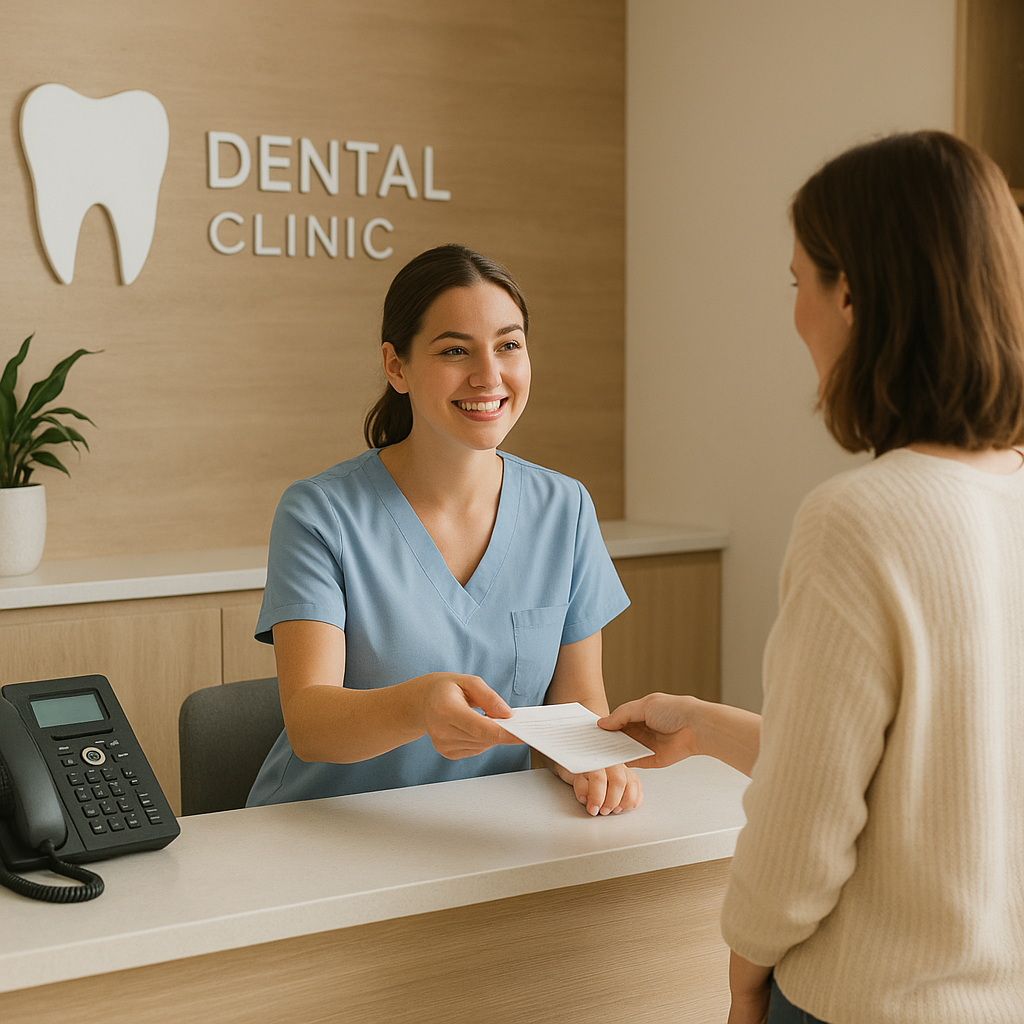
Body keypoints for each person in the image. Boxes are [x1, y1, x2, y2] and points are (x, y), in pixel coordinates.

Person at [600, 131, 1024, 1023]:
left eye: (798, 283)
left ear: (855, 296)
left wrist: (745, 970)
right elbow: (935, 774)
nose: (795, 313)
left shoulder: (862, 516)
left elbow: (806, 832)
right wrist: (709, 726)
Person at [247, 243, 642, 817]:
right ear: (396, 366)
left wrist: (595, 762)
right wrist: (417, 707)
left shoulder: (566, 507)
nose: (489, 375)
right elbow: (310, 722)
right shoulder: (320, 513)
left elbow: (577, 704)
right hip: (321, 835)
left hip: (478, 833)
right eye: (456, 350)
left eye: (509, 345)